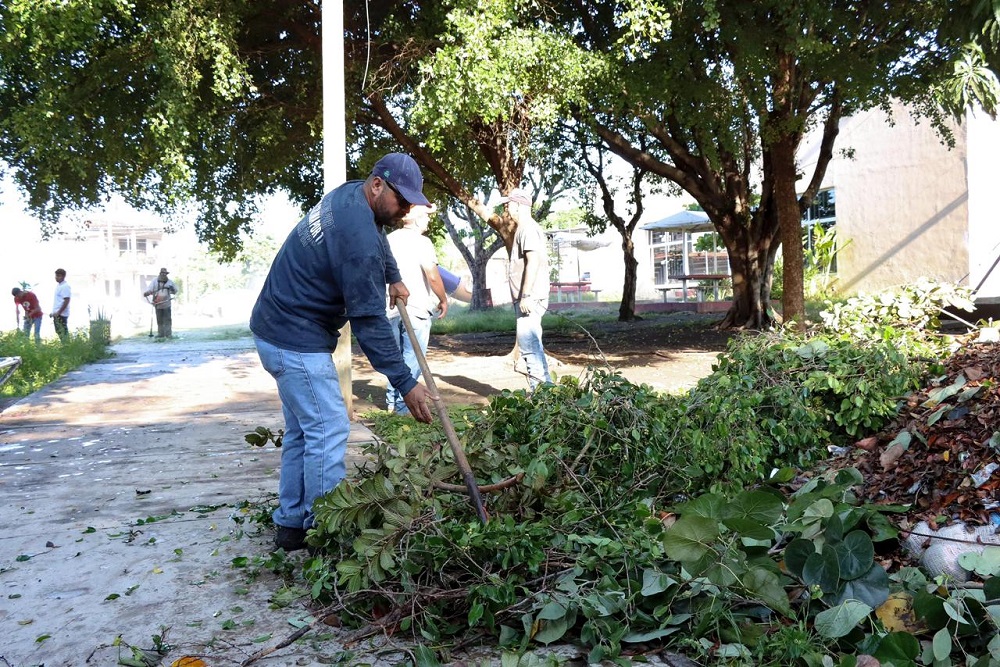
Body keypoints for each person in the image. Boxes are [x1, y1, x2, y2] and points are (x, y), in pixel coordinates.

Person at [249, 152, 436, 552]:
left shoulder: (350, 196)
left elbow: (377, 236)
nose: (405, 210)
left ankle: (292, 524)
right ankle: (324, 533)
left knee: (304, 430)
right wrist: (405, 382)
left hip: (275, 327)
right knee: (330, 427)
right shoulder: (359, 239)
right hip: (294, 337)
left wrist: (394, 277)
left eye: (410, 204)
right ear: (378, 184)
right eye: (401, 201)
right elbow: (369, 322)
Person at [385, 204, 449, 414]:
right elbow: (432, 274)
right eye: (426, 216)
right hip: (416, 308)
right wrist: (443, 298)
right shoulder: (422, 242)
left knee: (395, 357)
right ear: (417, 218)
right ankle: (404, 407)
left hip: (392, 307)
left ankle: (392, 402)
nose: (428, 220)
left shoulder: (389, 239)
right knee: (413, 357)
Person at [502, 187, 551, 388]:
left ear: (519, 206)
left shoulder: (528, 228)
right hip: (529, 297)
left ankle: (540, 396)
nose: (506, 208)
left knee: (529, 348)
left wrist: (526, 295)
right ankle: (547, 395)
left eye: (509, 204)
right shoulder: (524, 228)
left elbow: (534, 260)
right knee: (534, 348)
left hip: (531, 298)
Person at [143, 268, 178, 338]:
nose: (164, 274)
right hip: (158, 304)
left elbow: (175, 291)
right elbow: (150, 290)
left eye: (165, 273)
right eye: (163, 273)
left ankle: (168, 334)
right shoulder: (154, 281)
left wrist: (172, 289)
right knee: (159, 320)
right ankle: (161, 334)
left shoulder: (170, 282)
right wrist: (147, 293)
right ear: (160, 273)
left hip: (167, 304)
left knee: (167, 319)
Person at [50, 269, 71, 341]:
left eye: (58, 276)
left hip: (62, 314)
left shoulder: (65, 286)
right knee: (59, 331)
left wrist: (59, 312)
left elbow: (66, 300)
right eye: (56, 275)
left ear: (63, 276)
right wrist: (53, 313)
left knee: (63, 332)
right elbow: (58, 301)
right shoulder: (59, 286)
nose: (56, 277)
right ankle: (65, 347)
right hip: (57, 313)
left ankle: (67, 347)